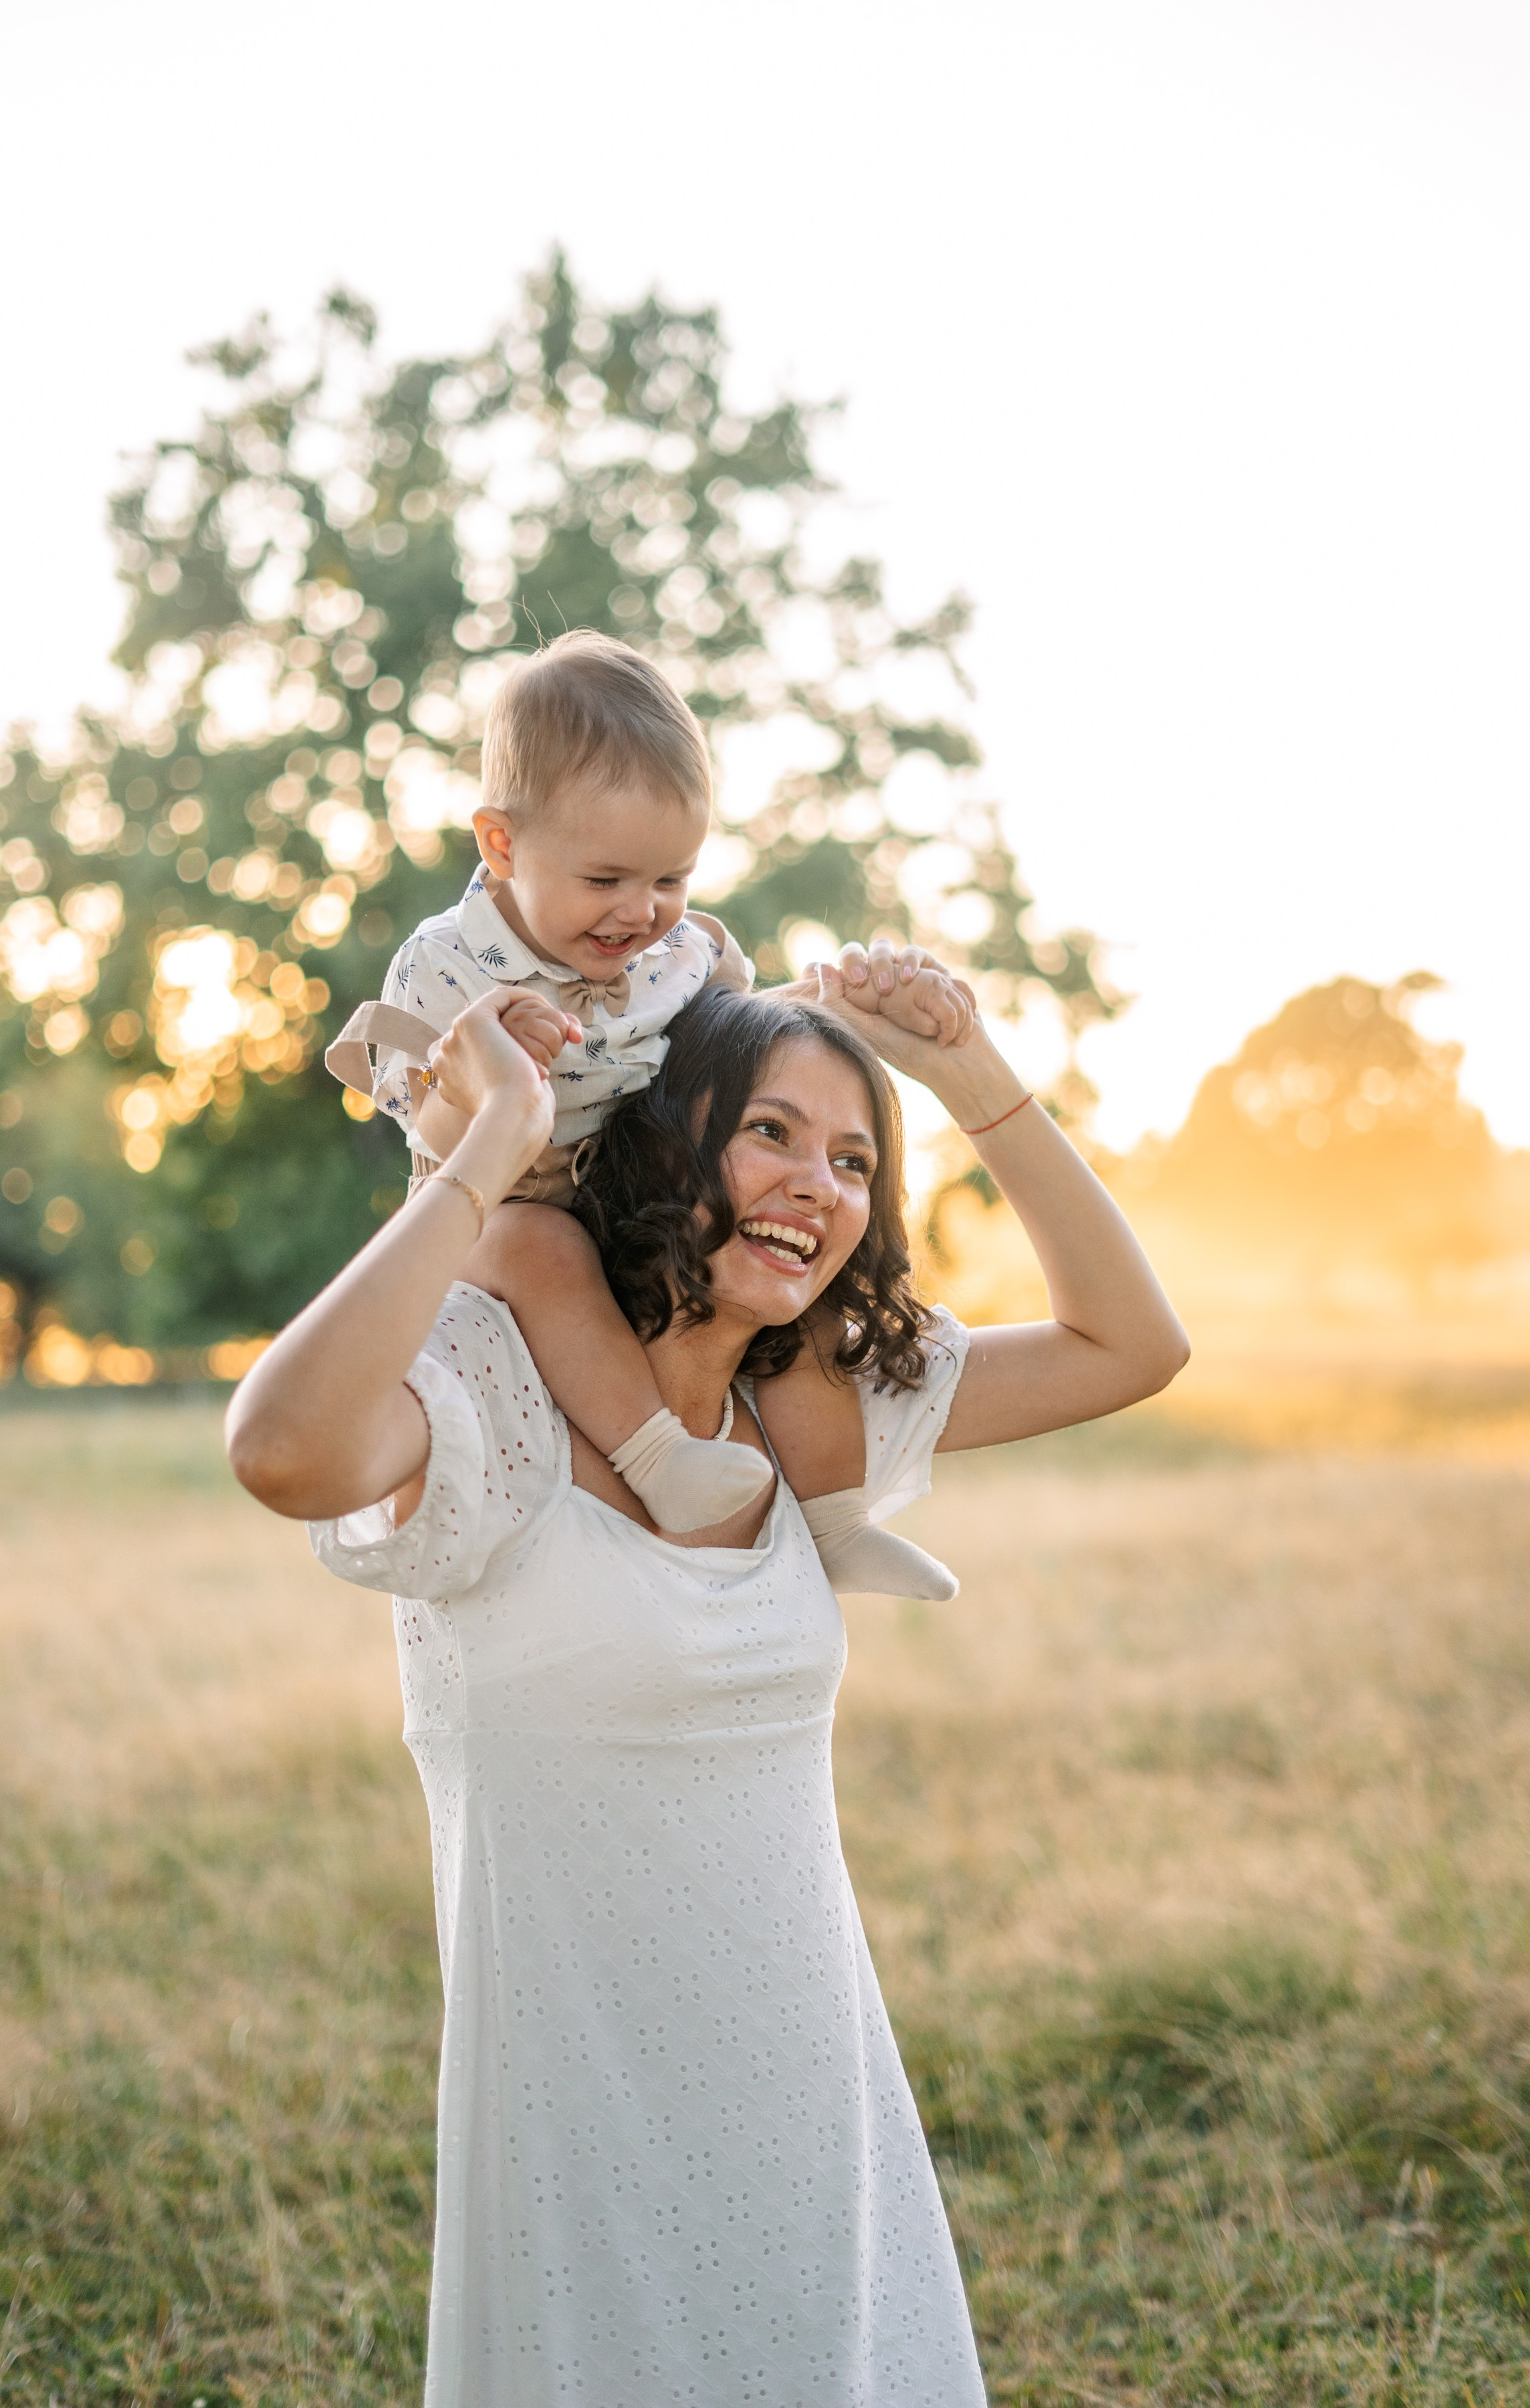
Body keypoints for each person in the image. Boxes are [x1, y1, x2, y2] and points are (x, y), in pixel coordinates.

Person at [227, 971, 1188, 2407]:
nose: (820, 1185)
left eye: (854, 1160)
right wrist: (489, 1153)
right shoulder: (493, 1390)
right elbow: (285, 1450)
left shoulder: (808, 1412)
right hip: (583, 2117)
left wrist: (973, 1074)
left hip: (813, 2092)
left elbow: (1135, 1346)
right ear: (670, 1139)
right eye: (774, 1135)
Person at [326, 629, 976, 1600]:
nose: (641, 913)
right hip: (503, 1203)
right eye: (607, 882)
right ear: (503, 845)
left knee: (787, 1284)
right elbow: (430, 1133)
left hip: (636, 1189)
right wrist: (488, 1085)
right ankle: (659, 1462)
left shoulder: (678, 954)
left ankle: (834, 1520)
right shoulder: (445, 967)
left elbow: (739, 1035)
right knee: (547, 1252)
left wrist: (864, 998)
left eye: (671, 880)